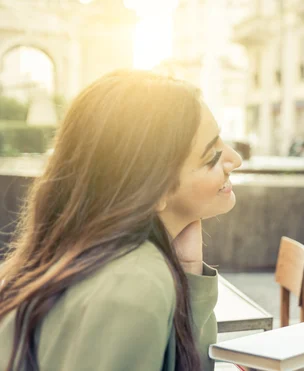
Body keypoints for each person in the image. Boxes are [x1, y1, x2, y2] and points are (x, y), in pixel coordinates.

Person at [0, 70, 242, 370]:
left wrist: (189, 273)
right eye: (211, 157)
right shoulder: (135, 285)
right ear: (153, 188)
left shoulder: (78, 254)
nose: (235, 159)